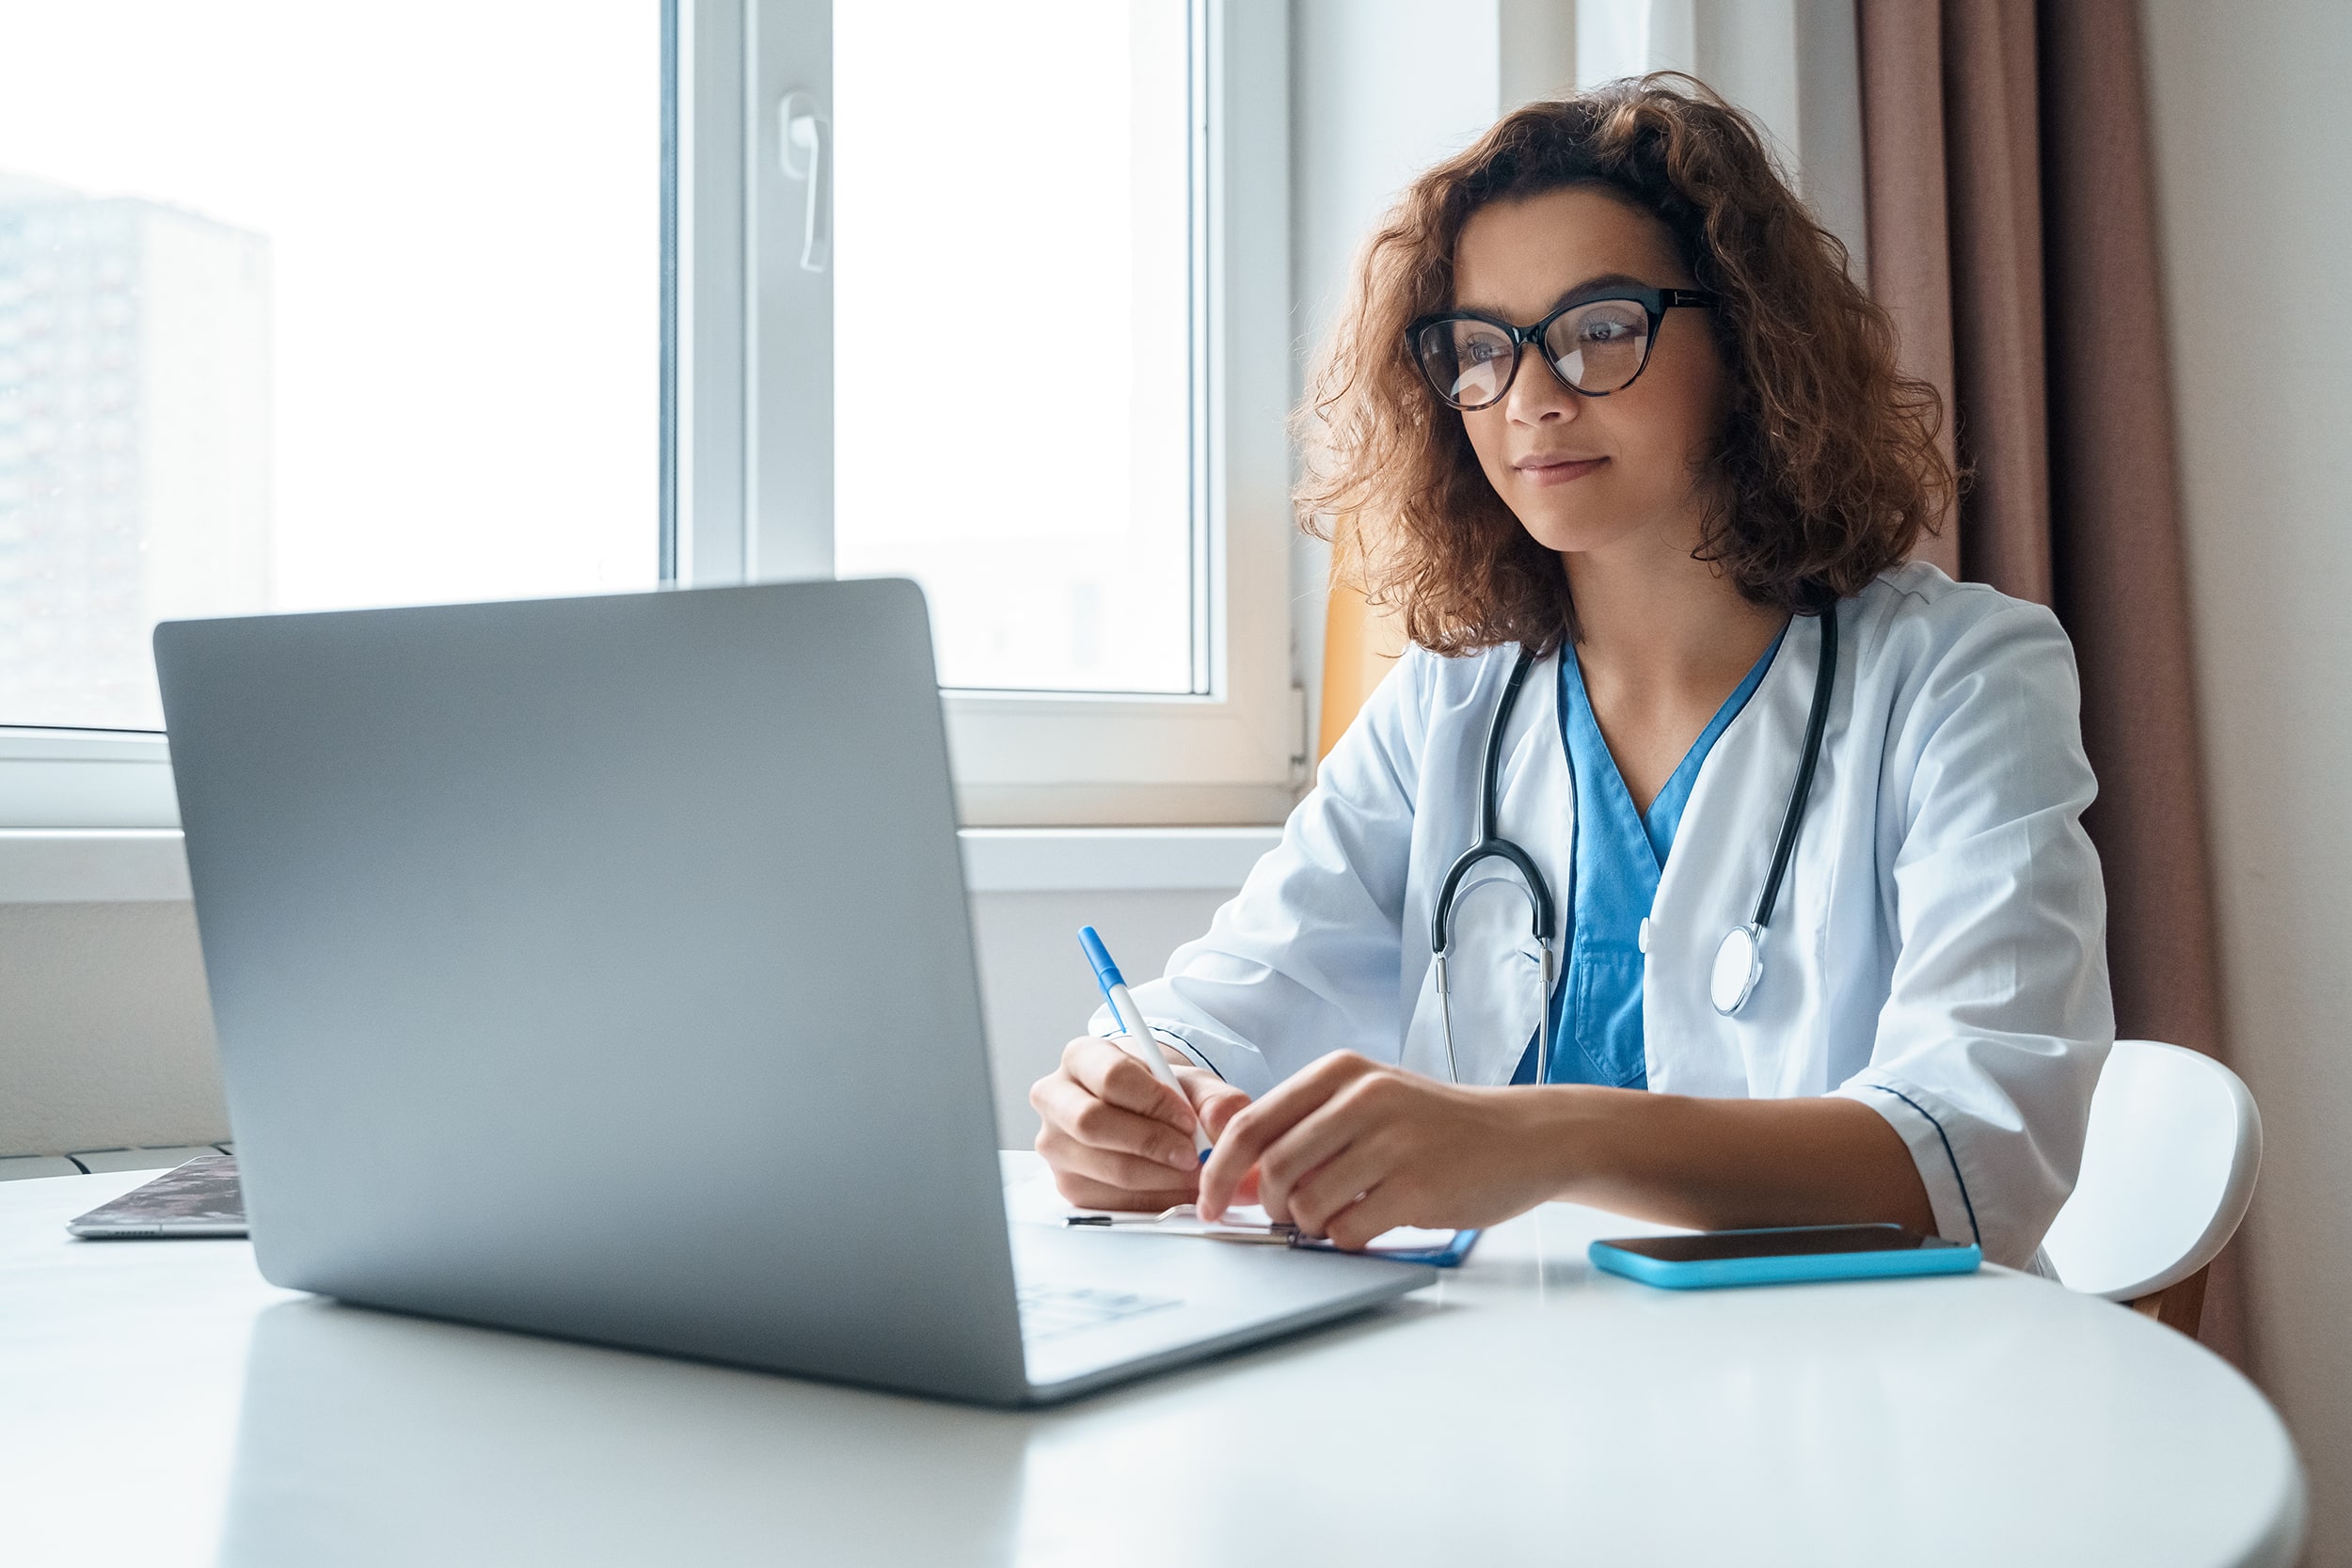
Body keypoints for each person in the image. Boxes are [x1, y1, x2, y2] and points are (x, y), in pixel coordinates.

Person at [1028, 77, 2112, 1271]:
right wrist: (1130, 1090)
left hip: (1864, 1396)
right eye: (1481, 349)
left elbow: (1978, 1153)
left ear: (1750, 343)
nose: (1532, 397)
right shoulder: (1449, 703)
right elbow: (1217, 1008)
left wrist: (1544, 1137)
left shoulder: (1962, 677)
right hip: (1512, 1397)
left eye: (1600, 327)